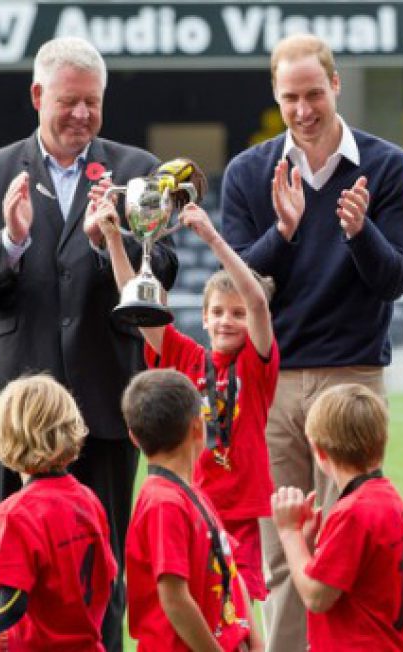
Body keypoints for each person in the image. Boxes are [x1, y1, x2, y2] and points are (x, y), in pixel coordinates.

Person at [0, 36, 177, 651]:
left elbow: (167, 271)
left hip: (102, 409)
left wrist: (114, 245)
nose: (81, 115)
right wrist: (10, 242)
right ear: (37, 96)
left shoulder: (136, 171)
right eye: (69, 101)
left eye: (92, 104)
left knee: (103, 578)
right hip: (12, 420)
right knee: (7, 579)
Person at [220, 32, 403, 651]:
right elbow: (237, 283)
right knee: (282, 554)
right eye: (289, 99)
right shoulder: (250, 172)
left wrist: (359, 233)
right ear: (275, 98)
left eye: (313, 94)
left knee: (344, 550)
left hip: (352, 378)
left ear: (336, 85)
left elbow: (395, 279)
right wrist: (283, 231)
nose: (303, 110)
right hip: (270, 381)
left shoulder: (385, 167)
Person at [95, 195, 278, 603]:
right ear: (204, 315)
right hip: (187, 502)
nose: (227, 321)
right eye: (218, 312)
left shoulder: (255, 363)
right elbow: (138, 304)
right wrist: (112, 238)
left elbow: (258, 302)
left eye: (237, 313)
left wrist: (212, 239)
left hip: (239, 511)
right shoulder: (185, 356)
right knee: (193, 601)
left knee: (240, 607)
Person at [122, 369, 264, 652]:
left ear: (133, 438)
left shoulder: (192, 493)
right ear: (198, 427)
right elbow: (174, 598)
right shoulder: (163, 504)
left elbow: (230, 571)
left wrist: (253, 640)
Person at [0, 374, 117, 651]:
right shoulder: (88, 499)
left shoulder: (16, 513)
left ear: (5, 436)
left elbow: (12, 604)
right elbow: (107, 581)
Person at [271, 384, 403, 651]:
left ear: (319, 452)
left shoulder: (352, 513)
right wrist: (310, 544)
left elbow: (316, 596)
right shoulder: (389, 498)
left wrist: (289, 534)